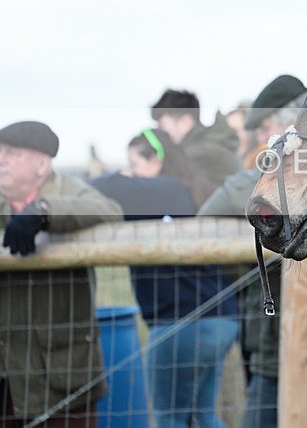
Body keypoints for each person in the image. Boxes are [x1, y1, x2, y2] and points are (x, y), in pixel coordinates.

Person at [197, 74, 307, 428]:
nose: (262, 141)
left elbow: (222, 202)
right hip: (287, 328)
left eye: (267, 130)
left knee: (295, 416)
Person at [91, 128, 238, 428]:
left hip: (181, 323)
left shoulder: (160, 189)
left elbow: (100, 186)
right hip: (220, 318)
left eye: (134, 165)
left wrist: (120, 173)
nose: (130, 174)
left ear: (155, 160)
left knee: (169, 418)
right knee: (203, 415)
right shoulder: (190, 188)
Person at [0, 120, 123, 427]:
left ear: (42, 164)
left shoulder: (70, 190)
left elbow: (109, 210)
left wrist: (43, 212)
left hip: (61, 372)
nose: (1, 159)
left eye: (12, 153)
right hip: (7, 375)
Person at [150, 89, 241, 188]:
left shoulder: (202, 152)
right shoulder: (208, 143)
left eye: (163, 127)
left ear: (186, 122)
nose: (161, 134)